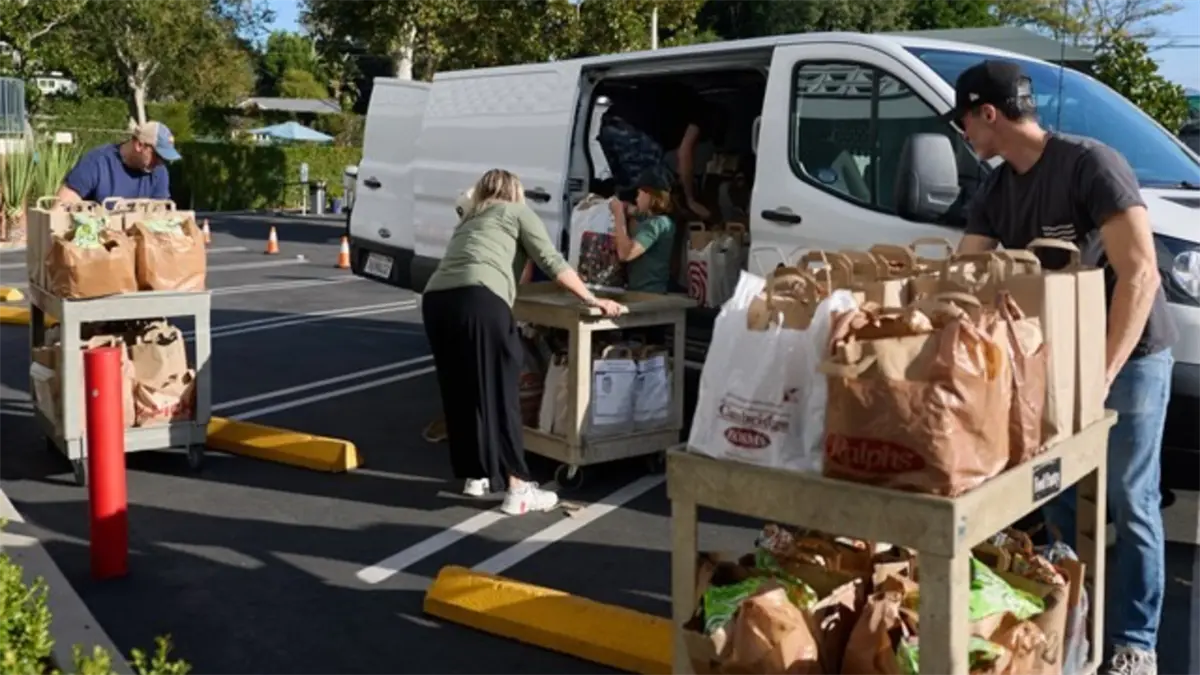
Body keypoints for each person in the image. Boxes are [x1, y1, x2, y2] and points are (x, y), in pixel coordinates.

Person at [949, 60, 1176, 675]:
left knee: (1130, 497)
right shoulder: (996, 189)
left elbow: (1141, 273)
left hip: (1128, 356)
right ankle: (1069, 622)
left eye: (965, 119)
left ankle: (1135, 641)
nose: (964, 133)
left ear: (988, 114)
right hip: (1049, 359)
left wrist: (1101, 375)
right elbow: (964, 276)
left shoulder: (1089, 165)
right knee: (1056, 496)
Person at [421, 169, 626, 515]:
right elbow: (551, 260)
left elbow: (510, 268)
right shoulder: (517, 211)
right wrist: (591, 298)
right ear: (515, 192)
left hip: (437, 301)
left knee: (460, 389)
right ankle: (518, 487)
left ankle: (476, 474)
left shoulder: (471, 218)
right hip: (479, 299)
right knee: (502, 392)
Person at [597, 81, 722, 219]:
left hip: (611, 123)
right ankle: (638, 232)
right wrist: (690, 200)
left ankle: (619, 223)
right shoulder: (701, 114)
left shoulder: (683, 101)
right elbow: (684, 154)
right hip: (632, 131)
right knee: (652, 194)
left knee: (627, 185)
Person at [57, 121, 181, 204]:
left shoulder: (159, 173)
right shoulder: (97, 162)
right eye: (157, 156)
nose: (160, 163)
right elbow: (61, 208)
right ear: (139, 145)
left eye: (165, 160)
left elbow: (161, 217)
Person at [610, 169, 676, 294]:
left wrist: (619, 214)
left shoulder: (658, 224)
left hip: (649, 293)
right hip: (638, 291)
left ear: (650, 195)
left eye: (639, 194)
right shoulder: (650, 219)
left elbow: (626, 254)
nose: (637, 198)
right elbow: (635, 212)